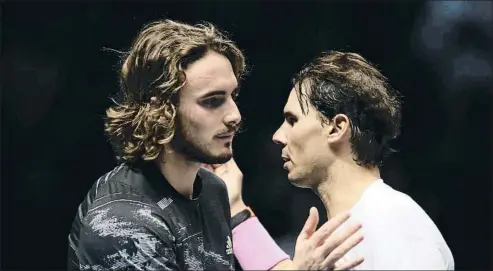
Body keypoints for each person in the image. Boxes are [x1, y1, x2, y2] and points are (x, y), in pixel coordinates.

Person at [67, 20, 364, 271]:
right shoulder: (122, 223)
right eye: (212, 101)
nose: (234, 115)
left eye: (232, 95)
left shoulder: (212, 190)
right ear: (161, 110)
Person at [212, 51, 455, 270]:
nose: (277, 136)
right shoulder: (352, 231)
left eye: (292, 120)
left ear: (336, 128)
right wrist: (235, 208)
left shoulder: (394, 226)